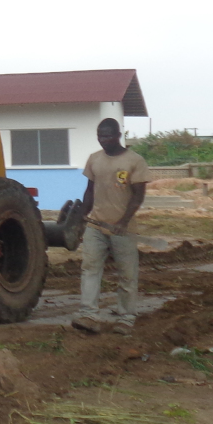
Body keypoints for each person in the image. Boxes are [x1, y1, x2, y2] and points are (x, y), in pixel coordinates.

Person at [76, 118, 152, 327]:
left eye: (108, 135)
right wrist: (84, 215)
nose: (103, 140)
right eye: (100, 136)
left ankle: (126, 316)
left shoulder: (134, 161)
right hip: (96, 226)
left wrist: (123, 221)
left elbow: (138, 196)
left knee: (126, 273)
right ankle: (89, 313)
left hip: (123, 229)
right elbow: (90, 190)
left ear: (118, 136)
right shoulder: (94, 159)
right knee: (90, 268)